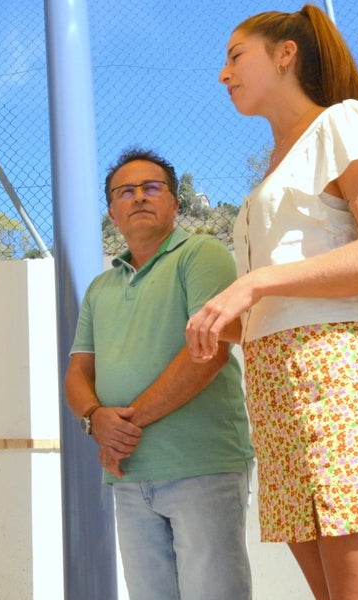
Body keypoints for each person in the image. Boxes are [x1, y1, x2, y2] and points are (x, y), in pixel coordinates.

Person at [186, 4, 358, 600]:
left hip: (346, 383)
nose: (223, 74)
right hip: (277, 399)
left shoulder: (341, 123)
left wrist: (253, 284)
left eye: (235, 55)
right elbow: (283, 302)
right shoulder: (269, 173)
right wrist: (228, 322)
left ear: (285, 54)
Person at [64, 148, 255, 600]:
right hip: (129, 474)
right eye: (125, 192)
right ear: (112, 211)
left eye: (153, 188)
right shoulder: (100, 287)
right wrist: (95, 419)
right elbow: (77, 373)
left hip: (201, 466)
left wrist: (120, 428)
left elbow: (205, 355)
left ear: (175, 202)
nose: (139, 198)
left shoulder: (202, 255)